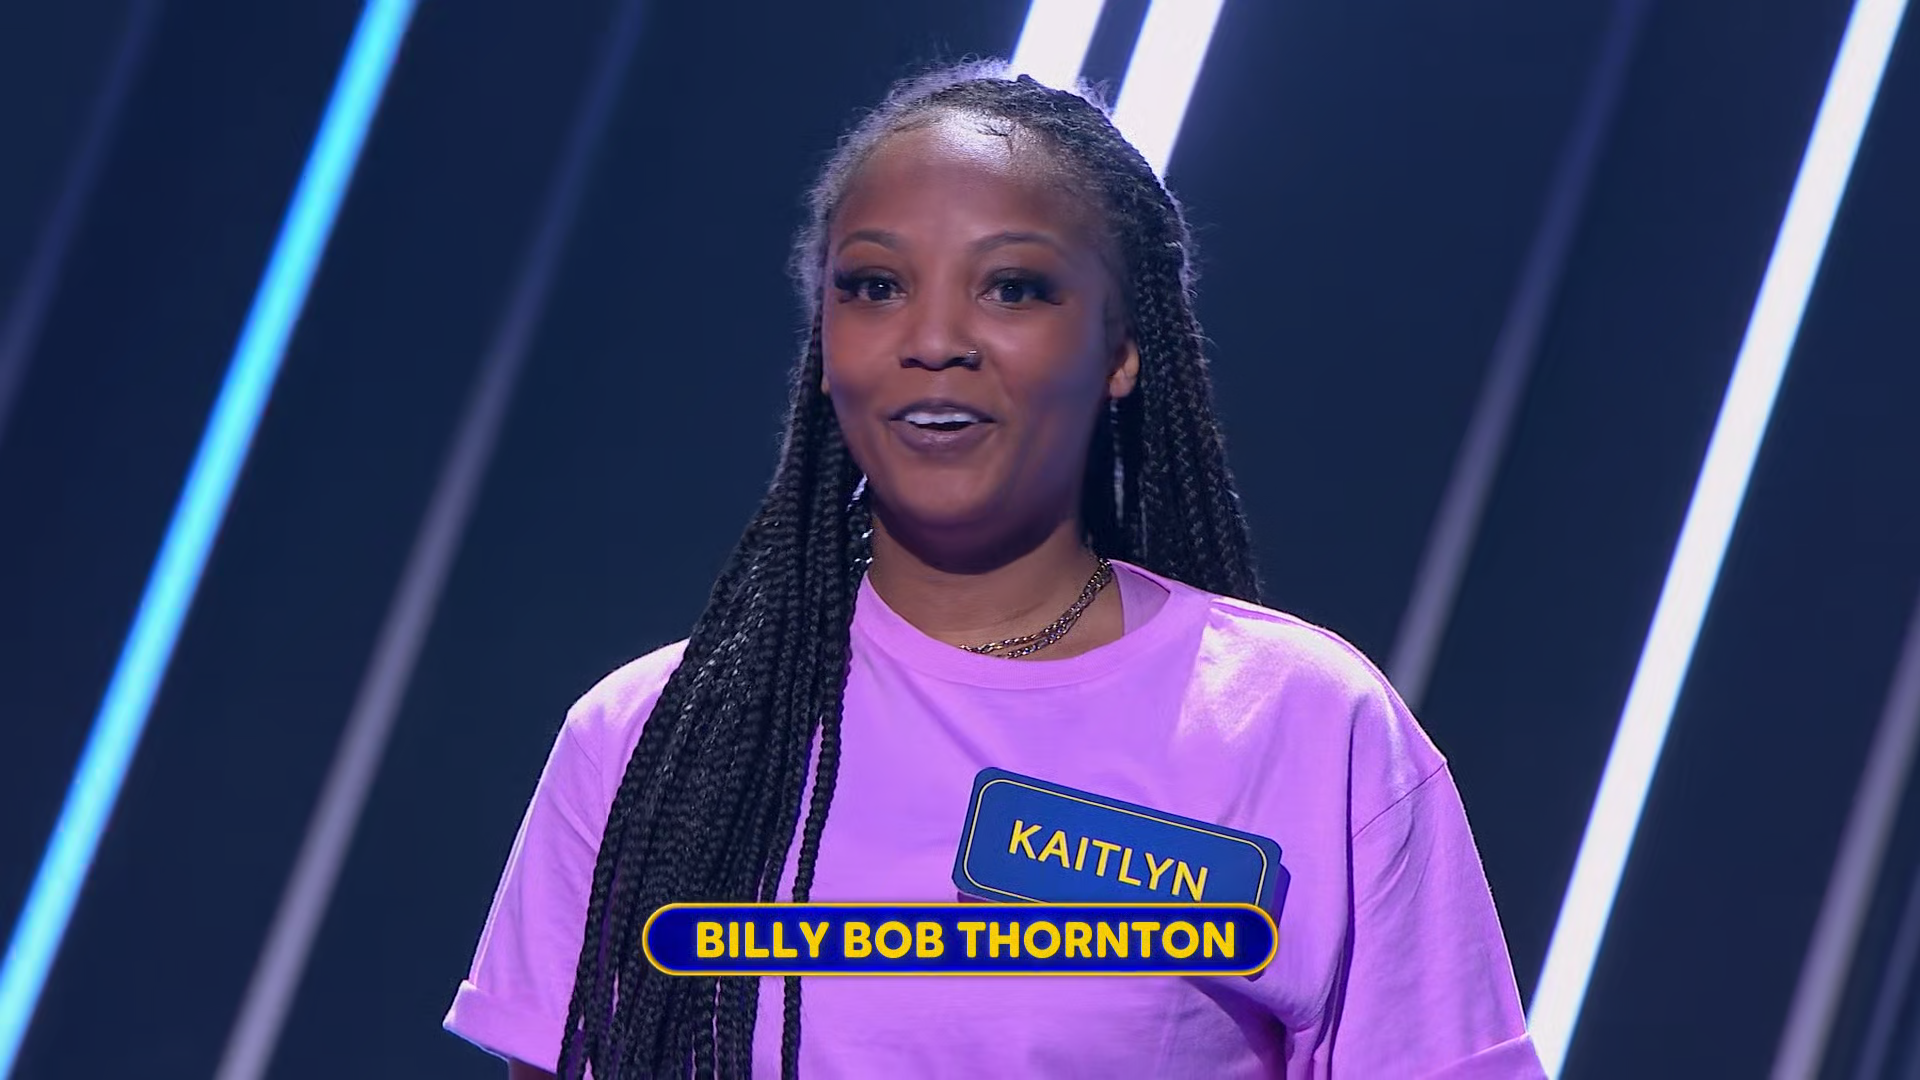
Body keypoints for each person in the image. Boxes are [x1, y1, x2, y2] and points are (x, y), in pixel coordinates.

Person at [444, 63, 1545, 1079]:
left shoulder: (1304, 724)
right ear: (824, 343)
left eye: (1013, 288)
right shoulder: (649, 738)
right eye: (875, 285)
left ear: (1122, 348)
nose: (934, 339)